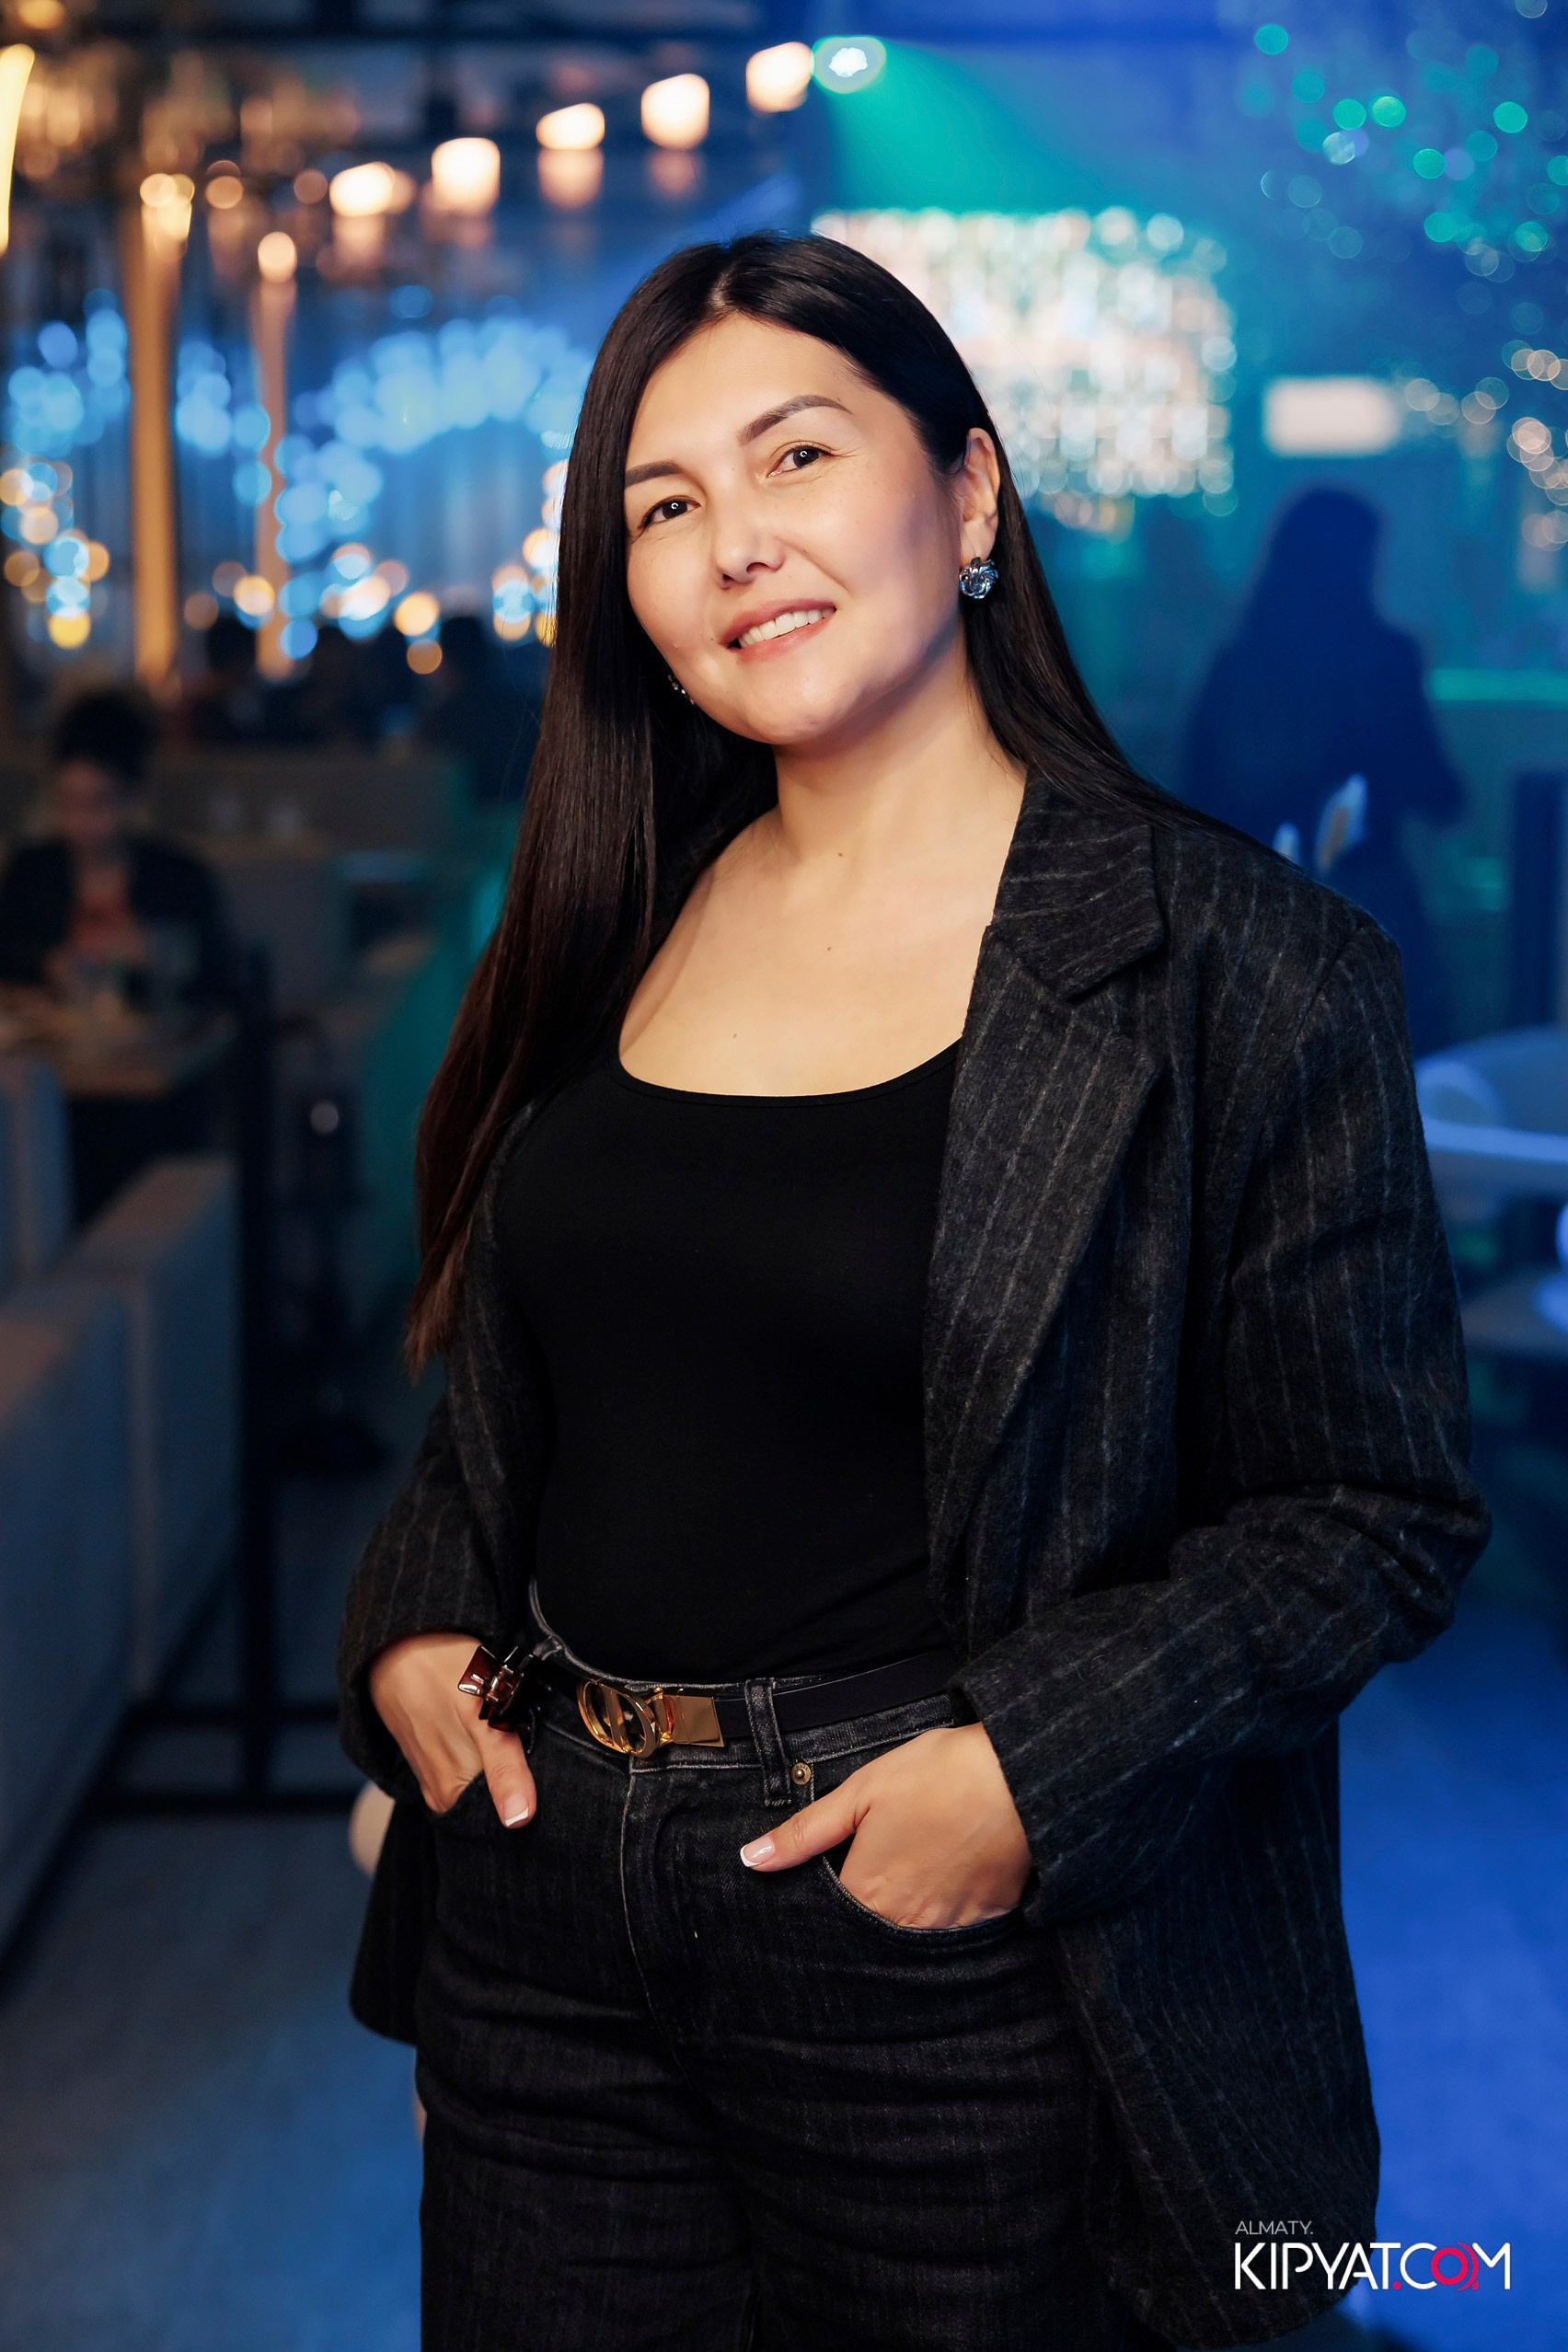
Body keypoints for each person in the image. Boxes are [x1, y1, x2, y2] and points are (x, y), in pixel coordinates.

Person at [337, 236, 1487, 2352]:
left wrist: (1022, 1773)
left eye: (795, 455)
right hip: (544, 1925)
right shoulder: (609, 915)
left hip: (953, 1947)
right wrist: (418, 1614)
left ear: (966, 496)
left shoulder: (1237, 966)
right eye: (662, 505)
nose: (731, 543)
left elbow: (1375, 1513)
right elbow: (538, 1383)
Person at [1178, 487, 1466, 1055]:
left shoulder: (1238, 664)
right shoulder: (1384, 660)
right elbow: (1439, 791)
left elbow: (1196, 794)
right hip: (1366, 898)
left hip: (1253, 908)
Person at [0, 688, 231, 1006]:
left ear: (133, 797)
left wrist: (152, 954)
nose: (80, 822)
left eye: (99, 802)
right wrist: (48, 963)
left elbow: (219, 978)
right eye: (67, 801)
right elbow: (8, 951)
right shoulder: (32, 871)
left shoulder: (178, 878)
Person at [418, 612, 539, 803]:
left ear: (449, 659)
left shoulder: (445, 719)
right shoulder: (525, 706)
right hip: (524, 812)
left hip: (466, 819)